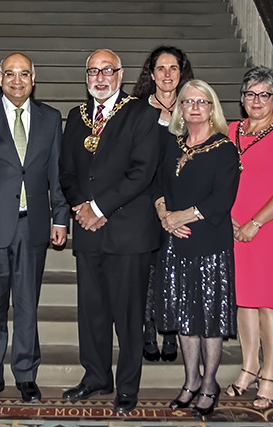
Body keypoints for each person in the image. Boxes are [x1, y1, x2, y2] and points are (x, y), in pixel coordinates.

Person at [0, 53, 69, 404]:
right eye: (10, 74)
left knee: (26, 305)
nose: (17, 81)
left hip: (32, 226)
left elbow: (57, 173)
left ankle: (26, 375)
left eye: (23, 74)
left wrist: (60, 217)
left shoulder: (51, 119)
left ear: (34, 78)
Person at [59, 49, 161, 414]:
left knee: (128, 314)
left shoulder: (143, 114)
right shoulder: (76, 116)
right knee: (92, 311)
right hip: (87, 232)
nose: (99, 78)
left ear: (120, 74)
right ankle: (96, 376)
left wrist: (98, 208)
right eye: (92, 71)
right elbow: (67, 172)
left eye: (107, 71)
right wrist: (80, 207)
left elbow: (142, 172)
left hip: (128, 232)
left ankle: (127, 387)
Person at [153, 80, 240, 416]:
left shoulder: (224, 149)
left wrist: (181, 215)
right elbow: (157, 184)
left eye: (201, 102)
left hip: (210, 243)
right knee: (186, 318)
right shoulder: (172, 145)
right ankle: (190, 381)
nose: (194, 107)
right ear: (180, 108)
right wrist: (164, 215)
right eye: (188, 101)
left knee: (210, 319)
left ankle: (209, 384)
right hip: (176, 243)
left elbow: (222, 199)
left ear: (211, 108)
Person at [226, 66, 273, 409]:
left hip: (271, 227)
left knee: (270, 304)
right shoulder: (230, 130)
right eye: (250, 94)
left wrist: (254, 223)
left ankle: (270, 375)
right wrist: (227, 217)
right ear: (242, 98)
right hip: (233, 225)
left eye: (264, 94)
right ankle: (249, 367)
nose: (256, 101)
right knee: (244, 301)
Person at [131, 45, 194, 363]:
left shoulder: (193, 108)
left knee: (173, 272)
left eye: (173, 68)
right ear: (151, 74)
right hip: (144, 202)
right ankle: (147, 332)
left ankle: (169, 332)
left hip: (180, 203)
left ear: (181, 73)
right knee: (148, 272)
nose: (167, 74)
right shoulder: (136, 109)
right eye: (161, 68)